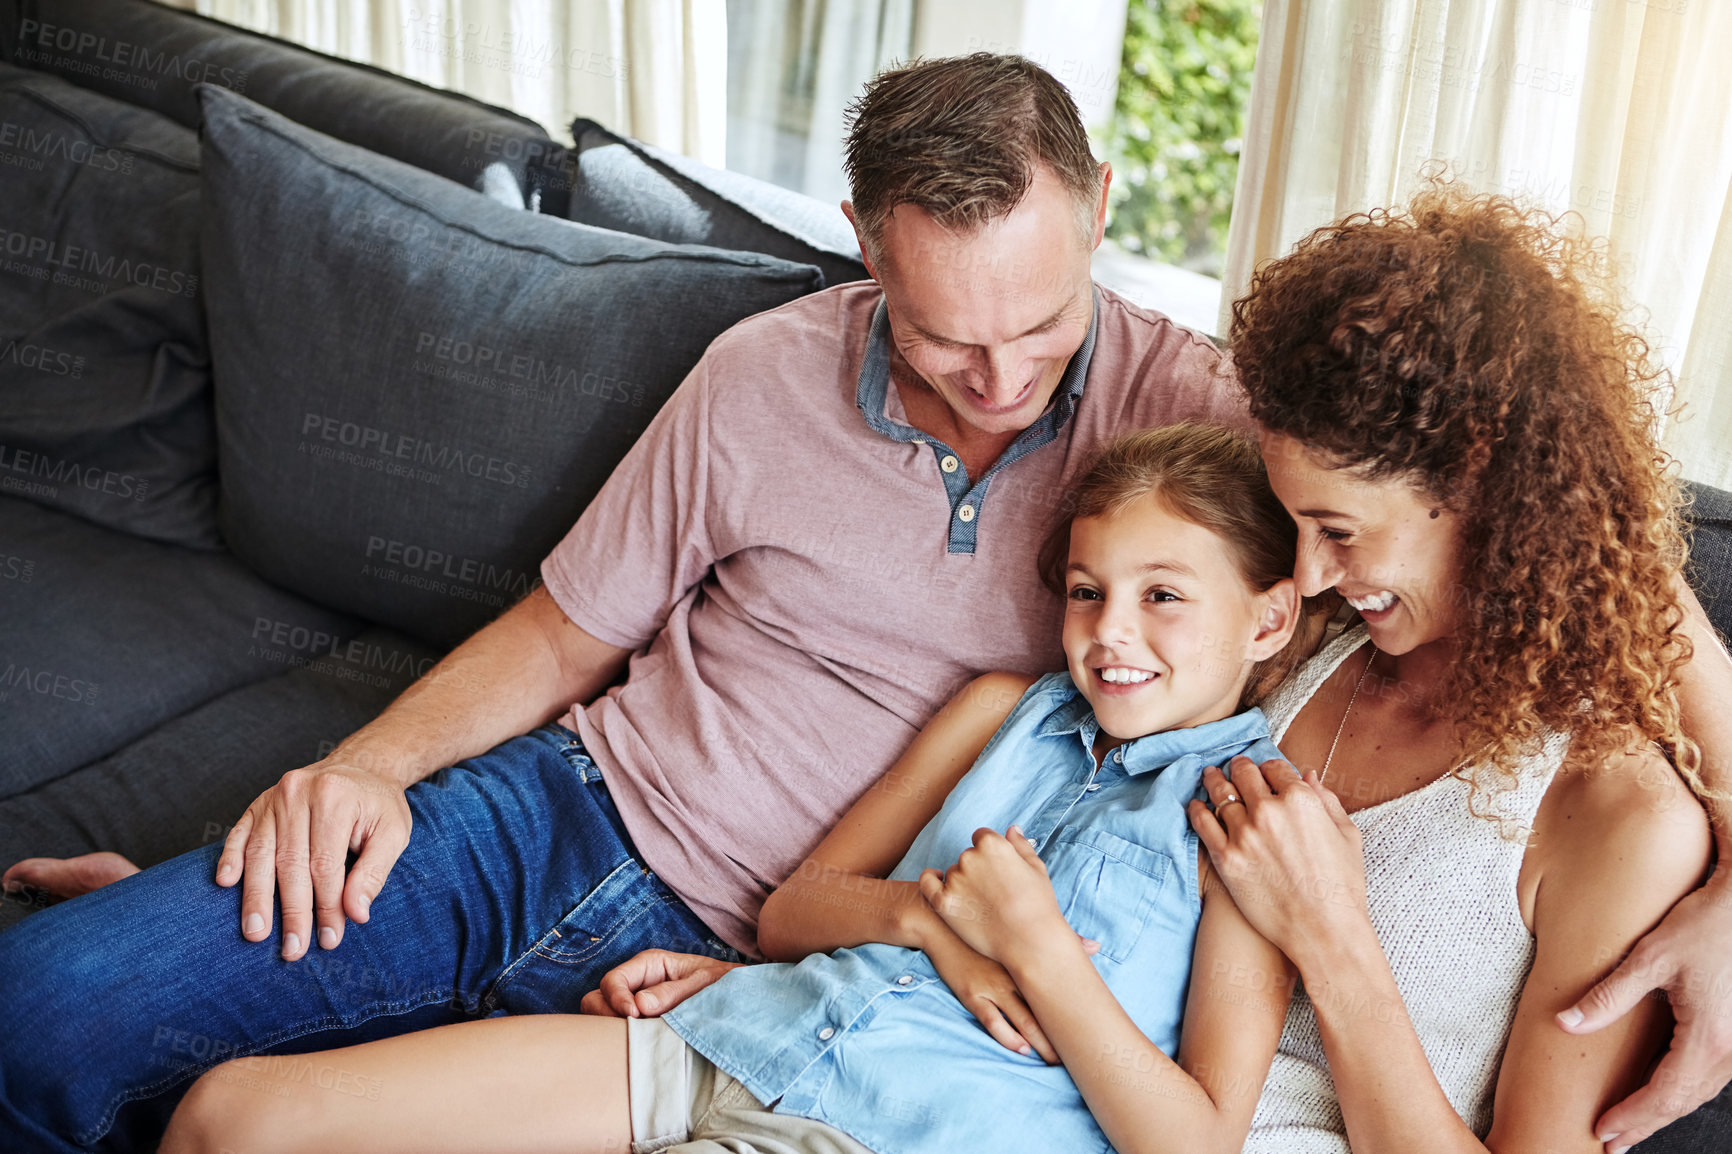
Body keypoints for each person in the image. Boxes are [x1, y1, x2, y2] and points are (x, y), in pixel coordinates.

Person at [0, 54, 1245, 1154]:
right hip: (553, 818)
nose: (1000, 381)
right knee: (40, 1013)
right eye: (940, 338)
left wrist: (784, 977)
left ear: (1097, 211)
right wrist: (368, 766)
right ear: (868, 242)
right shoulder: (762, 369)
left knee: (233, 1092)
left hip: (748, 976)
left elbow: (1401, 505)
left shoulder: (1195, 415)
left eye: (1037, 327)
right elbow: (563, 629)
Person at [161, 422, 1315, 1153]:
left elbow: (1196, 1140)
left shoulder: (1251, 826)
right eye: (1084, 590)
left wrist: (1036, 947)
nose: (1109, 633)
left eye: (1164, 595)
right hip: (736, 1036)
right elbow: (792, 907)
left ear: (1268, 616)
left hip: (897, 1128)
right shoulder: (996, 709)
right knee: (233, 1115)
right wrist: (930, 916)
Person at [1193, 188, 1717, 1151]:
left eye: (1340, 531)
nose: (1306, 573)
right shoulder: (1313, 648)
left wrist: (1330, 935)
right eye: (1296, 521)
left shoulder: (1614, 812)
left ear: (1479, 485)